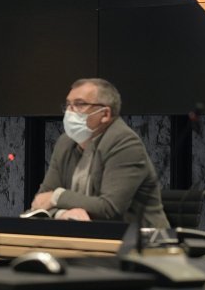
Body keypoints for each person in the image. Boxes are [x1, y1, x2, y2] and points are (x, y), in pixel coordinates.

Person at [30, 78, 169, 227]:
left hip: (142, 238)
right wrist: (62, 214)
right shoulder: (65, 143)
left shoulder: (125, 143)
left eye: (79, 104)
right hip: (86, 235)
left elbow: (109, 209)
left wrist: (57, 197)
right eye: (68, 105)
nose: (70, 112)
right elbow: (40, 202)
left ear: (105, 114)